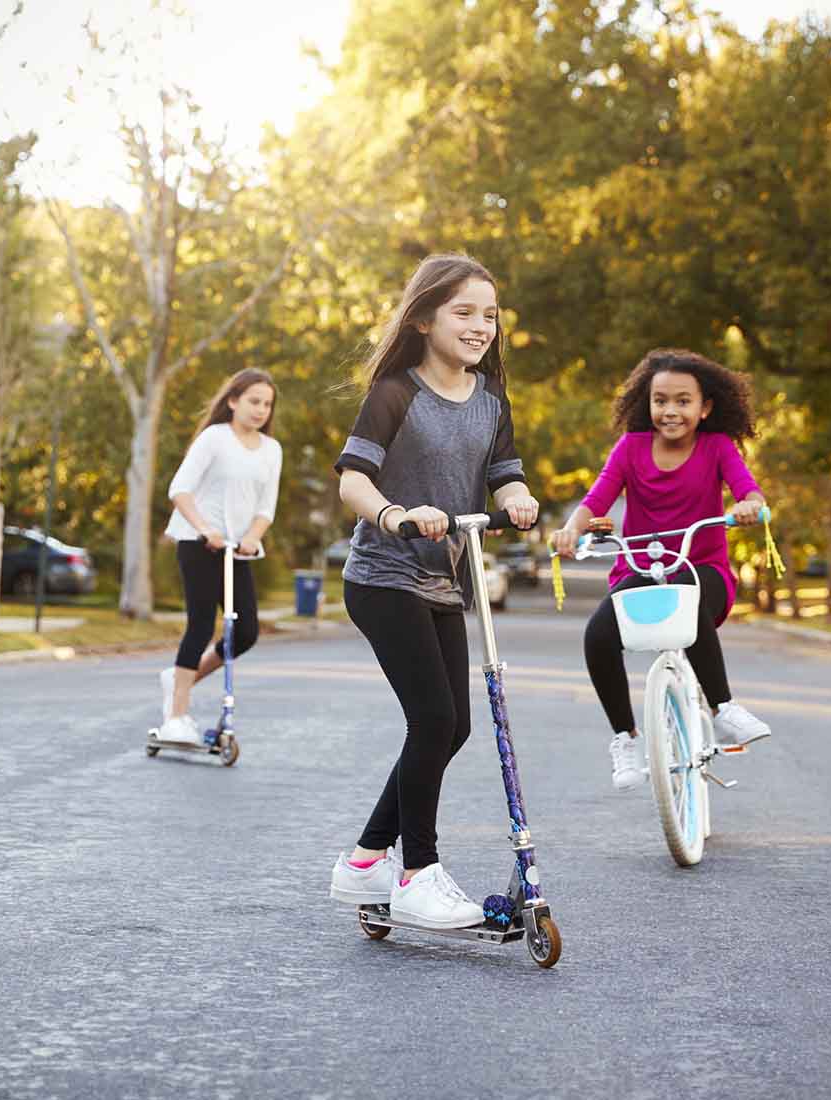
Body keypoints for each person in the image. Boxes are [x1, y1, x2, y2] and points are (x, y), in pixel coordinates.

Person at [326, 254, 539, 930]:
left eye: (491, 315)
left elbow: (504, 476)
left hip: (444, 579)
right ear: (423, 318)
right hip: (383, 577)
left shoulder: (491, 401)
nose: (482, 327)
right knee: (434, 720)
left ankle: (365, 861)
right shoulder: (396, 393)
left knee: (453, 726)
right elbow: (353, 480)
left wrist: (521, 497)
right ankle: (417, 870)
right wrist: (395, 514)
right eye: (465, 312)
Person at [548, 348, 774, 790]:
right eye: (660, 400)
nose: (670, 411)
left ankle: (723, 708)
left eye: (683, 401)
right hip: (643, 568)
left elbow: (751, 492)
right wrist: (570, 530)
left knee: (687, 592)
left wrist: (750, 506)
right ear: (646, 404)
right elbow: (595, 500)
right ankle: (625, 738)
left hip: (703, 571)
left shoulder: (717, 447)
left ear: (705, 407)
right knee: (598, 636)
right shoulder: (631, 449)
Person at [156, 368, 282, 743]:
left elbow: (266, 508)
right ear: (232, 401)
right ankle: (176, 717)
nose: (261, 410)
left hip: (237, 549)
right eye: (253, 401)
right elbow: (180, 489)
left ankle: (179, 677)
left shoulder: (271, 450)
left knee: (245, 632)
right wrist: (203, 529)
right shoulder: (215, 438)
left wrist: (251, 537)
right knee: (200, 624)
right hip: (198, 542)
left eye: (267, 404)